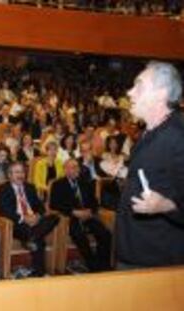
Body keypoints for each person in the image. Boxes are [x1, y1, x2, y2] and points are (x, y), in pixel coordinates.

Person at [117, 61, 184, 270]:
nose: (129, 92)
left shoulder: (178, 136)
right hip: (133, 250)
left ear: (160, 93)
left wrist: (166, 206)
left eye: (139, 85)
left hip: (157, 260)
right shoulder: (149, 132)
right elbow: (152, 177)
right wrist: (122, 172)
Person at [0, 162, 60, 276]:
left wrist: (37, 216)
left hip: (35, 221)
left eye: (22, 172)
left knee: (55, 217)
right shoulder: (2, 189)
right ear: (9, 175)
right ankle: (39, 272)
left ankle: (32, 237)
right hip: (18, 224)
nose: (20, 175)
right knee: (39, 240)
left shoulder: (30, 187)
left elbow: (39, 206)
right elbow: (4, 211)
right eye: (16, 172)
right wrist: (24, 218)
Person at [50, 159, 112, 272]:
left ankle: (103, 263)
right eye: (73, 167)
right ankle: (92, 264)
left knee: (105, 234)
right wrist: (73, 212)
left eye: (77, 167)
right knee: (80, 236)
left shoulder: (85, 182)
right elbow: (54, 204)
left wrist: (90, 211)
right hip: (71, 218)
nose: (76, 170)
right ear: (66, 170)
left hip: (87, 216)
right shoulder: (57, 184)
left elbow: (95, 202)